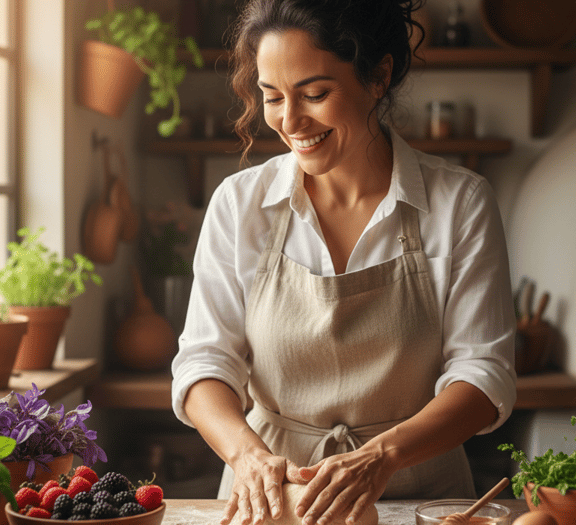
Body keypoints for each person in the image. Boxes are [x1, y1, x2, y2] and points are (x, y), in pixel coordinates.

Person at [171, 1, 517, 525]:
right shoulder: (239, 204)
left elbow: (483, 373)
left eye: (315, 94)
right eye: (271, 97)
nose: (290, 121)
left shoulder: (459, 203)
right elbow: (203, 362)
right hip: (270, 498)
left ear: (377, 76)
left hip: (420, 497)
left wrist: (382, 455)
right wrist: (247, 454)